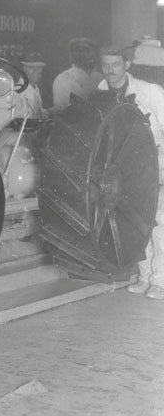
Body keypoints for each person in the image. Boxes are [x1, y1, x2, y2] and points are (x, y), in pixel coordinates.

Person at [97, 44, 164, 300]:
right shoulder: (103, 91)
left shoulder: (150, 91)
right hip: (127, 170)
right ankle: (145, 276)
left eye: (115, 64)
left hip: (158, 164)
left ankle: (160, 280)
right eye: (105, 65)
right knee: (137, 224)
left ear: (127, 65)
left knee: (158, 224)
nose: (110, 71)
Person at [51, 37, 102, 111]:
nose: (84, 55)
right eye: (79, 51)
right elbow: (61, 112)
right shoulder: (63, 79)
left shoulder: (99, 77)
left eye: (88, 51)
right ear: (73, 55)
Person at [12, 53, 46, 120]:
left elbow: (37, 113)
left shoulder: (35, 88)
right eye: (30, 67)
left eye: (39, 67)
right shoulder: (17, 91)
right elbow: (23, 121)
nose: (35, 71)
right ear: (23, 69)